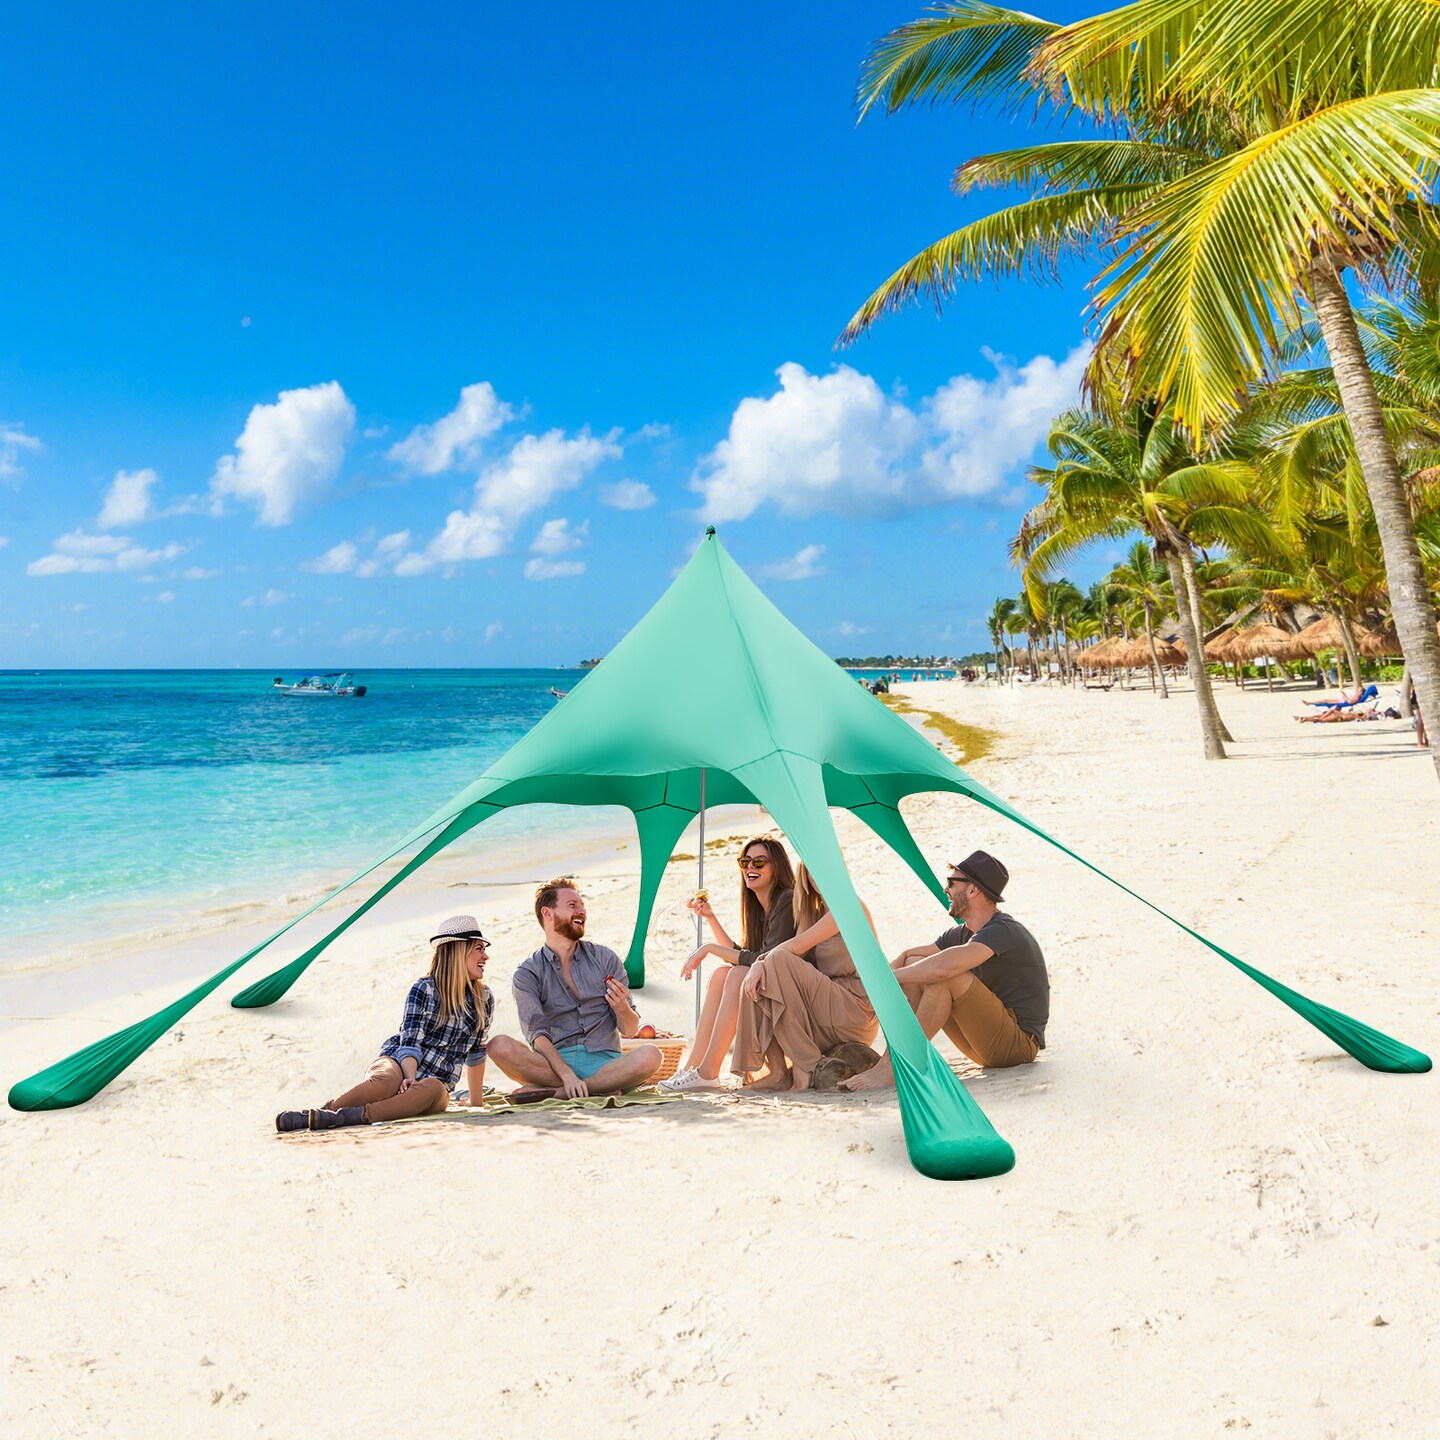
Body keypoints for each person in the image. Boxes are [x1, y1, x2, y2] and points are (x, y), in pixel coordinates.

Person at [842, 851, 1048, 1091]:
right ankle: (901, 1061)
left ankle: (893, 1067)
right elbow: (913, 957)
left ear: (973, 890)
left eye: (951, 883)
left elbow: (942, 969)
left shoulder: (1002, 930)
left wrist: (888, 979)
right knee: (918, 965)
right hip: (983, 1044)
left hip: (1017, 1046)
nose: (946, 889)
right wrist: (887, 975)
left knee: (947, 976)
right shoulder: (961, 934)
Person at [275, 915, 495, 1132]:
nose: (485, 956)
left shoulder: (483, 998)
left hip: (434, 1085)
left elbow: (476, 1053)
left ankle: (347, 1117)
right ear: (458, 951)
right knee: (386, 1082)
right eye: (479, 948)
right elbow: (410, 1042)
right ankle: (323, 1112)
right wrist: (409, 1078)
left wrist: (476, 1102)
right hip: (399, 1063)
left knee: (433, 1088)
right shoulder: (424, 989)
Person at [487, 877, 662, 1098]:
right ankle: (597, 1088)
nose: (582, 911)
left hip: (606, 1064)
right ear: (548, 914)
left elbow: (630, 1030)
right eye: (572, 905)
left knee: (651, 1056)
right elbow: (537, 1035)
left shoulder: (605, 958)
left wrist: (622, 1008)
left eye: (582, 906)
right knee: (498, 1046)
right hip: (552, 1066)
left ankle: (560, 1093)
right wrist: (566, 1074)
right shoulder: (528, 973)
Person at [660, 835, 797, 1093]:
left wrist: (709, 948)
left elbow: (763, 958)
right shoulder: (760, 908)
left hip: (795, 994)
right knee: (723, 973)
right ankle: (693, 1068)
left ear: (776, 867)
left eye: (759, 862)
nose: (750, 868)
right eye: (745, 862)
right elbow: (742, 953)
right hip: (771, 984)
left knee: (735, 975)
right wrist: (711, 918)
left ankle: (708, 1073)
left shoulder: (787, 901)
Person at [729, 862, 879, 1092]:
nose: (818, 873)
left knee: (775, 962)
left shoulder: (849, 905)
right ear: (806, 877)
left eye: (823, 864)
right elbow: (789, 949)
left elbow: (792, 949)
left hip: (857, 1009)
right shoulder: (815, 913)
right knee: (759, 978)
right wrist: (759, 966)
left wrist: (759, 962)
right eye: (811, 868)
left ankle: (804, 1067)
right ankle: (778, 1072)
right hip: (830, 1006)